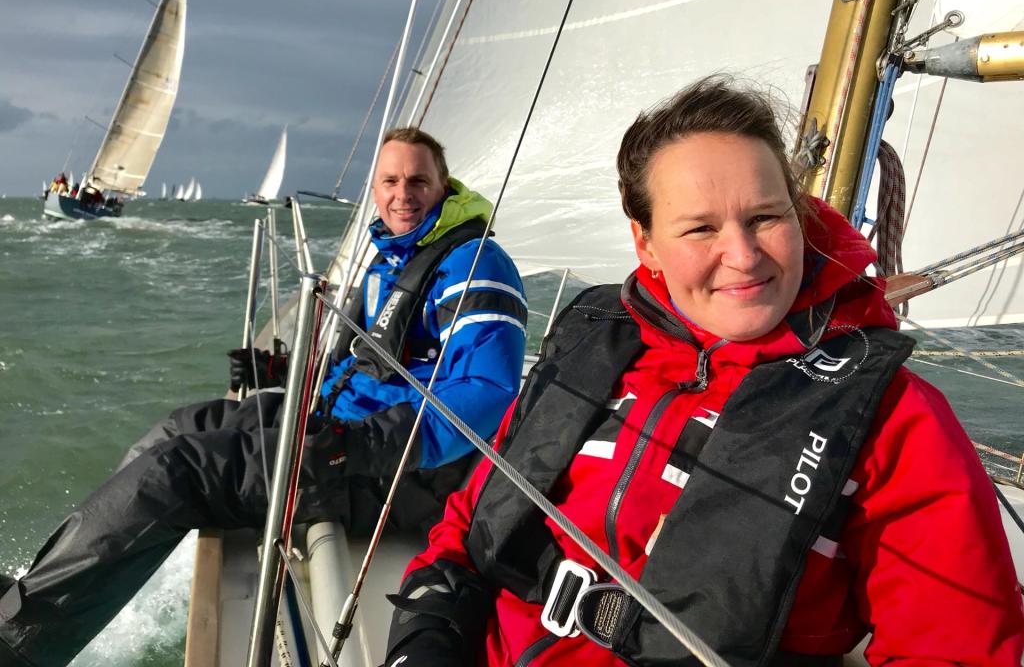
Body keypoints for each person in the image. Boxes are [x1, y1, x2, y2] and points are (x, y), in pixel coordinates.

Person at [383, 77, 1024, 667]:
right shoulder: (595, 340)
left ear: (800, 216)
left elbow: (957, 648)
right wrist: (428, 629)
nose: (742, 255)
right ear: (646, 243)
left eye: (766, 217)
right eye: (699, 228)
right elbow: (471, 519)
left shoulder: (892, 416)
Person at [0, 127, 528, 667]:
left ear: (444, 185)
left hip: (396, 469)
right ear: (374, 189)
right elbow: (371, 362)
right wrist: (277, 370)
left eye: (418, 181)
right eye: (390, 181)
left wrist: (364, 445)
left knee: (176, 471)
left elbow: (487, 391)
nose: (403, 194)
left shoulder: (474, 263)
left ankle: (17, 643)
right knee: (178, 427)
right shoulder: (394, 256)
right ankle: (35, 591)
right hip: (341, 426)